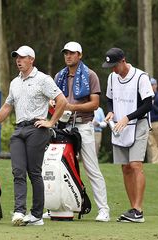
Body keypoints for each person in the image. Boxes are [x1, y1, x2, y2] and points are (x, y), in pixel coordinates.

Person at [0, 45, 67, 226]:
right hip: (19, 129)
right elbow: (7, 107)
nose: (18, 60)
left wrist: (51, 122)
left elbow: (62, 101)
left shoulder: (43, 79)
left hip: (37, 128)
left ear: (31, 59)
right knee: (18, 171)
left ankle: (36, 215)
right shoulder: (14, 82)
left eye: (22, 57)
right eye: (16, 57)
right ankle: (19, 212)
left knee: (33, 172)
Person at [54, 41, 110, 222]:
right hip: (62, 126)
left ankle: (104, 210)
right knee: (57, 166)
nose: (68, 56)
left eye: (72, 53)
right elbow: (53, 99)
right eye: (66, 53)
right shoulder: (59, 76)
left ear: (80, 55)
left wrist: (71, 106)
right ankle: (56, 207)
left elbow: (95, 104)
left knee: (91, 168)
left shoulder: (90, 75)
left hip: (83, 125)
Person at [102, 47, 154, 223]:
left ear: (123, 61)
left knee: (135, 164)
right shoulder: (112, 77)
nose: (113, 70)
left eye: (115, 65)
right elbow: (109, 99)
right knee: (125, 167)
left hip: (138, 124)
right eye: (111, 67)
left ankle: (138, 210)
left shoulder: (141, 77)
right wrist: (110, 112)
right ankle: (133, 210)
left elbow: (148, 105)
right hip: (120, 126)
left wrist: (128, 117)